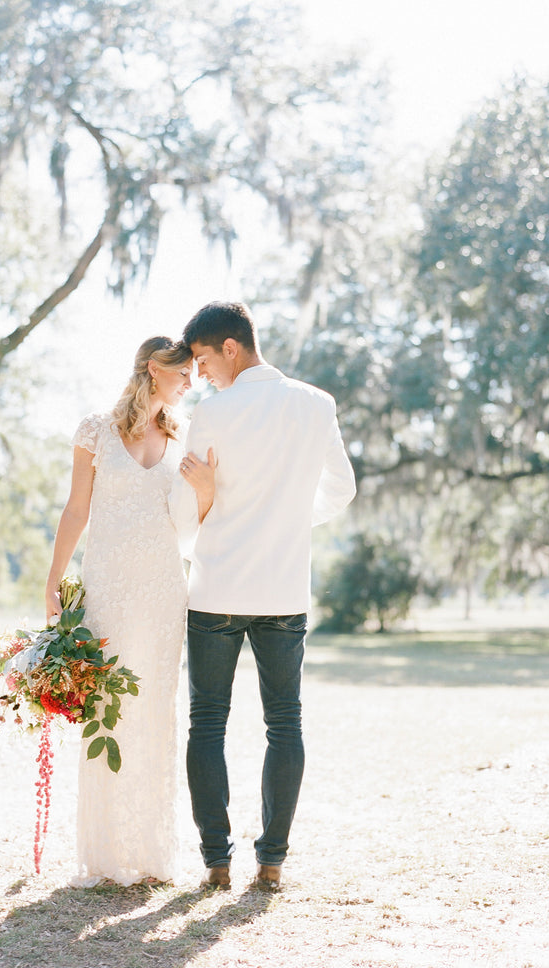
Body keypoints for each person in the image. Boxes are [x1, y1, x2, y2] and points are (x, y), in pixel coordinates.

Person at [170, 301, 356, 891]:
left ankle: (217, 862)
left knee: (207, 724)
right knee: (285, 723)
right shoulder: (316, 404)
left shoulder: (214, 411)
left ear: (231, 348)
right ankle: (271, 861)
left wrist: (210, 505)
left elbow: (186, 509)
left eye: (203, 359)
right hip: (283, 589)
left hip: (217, 586)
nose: (200, 375)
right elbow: (342, 489)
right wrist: (290, 519)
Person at [45, 335, 203, 887]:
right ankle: (107, 853)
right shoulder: (95, 430)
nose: (191, 381)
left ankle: (152, 852)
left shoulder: (182, 436)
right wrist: (53, 581)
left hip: (163, 591)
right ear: (153, 369)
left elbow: (193, 517)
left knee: (156, 709)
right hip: (107, 587)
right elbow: (76, 509)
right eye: (183, 371)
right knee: (105, 707)